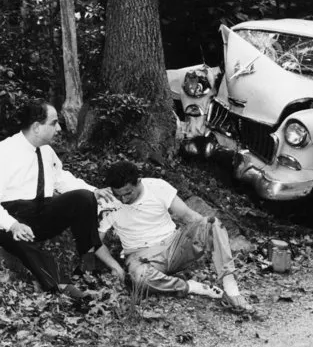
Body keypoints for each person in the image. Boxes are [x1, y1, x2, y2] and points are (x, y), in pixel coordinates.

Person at [0, 100, 125, 298]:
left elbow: (61, 179)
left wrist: (94, 190)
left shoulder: (46, 151)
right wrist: (13, 225)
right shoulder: (4, 152)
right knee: (21, 241)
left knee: (84, 198)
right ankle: (66, 288)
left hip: (43, 211)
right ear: (36, 127)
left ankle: (87, 266)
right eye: (54, 123)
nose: (59, 128)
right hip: (12, 216)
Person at [99, 160, 253, 312]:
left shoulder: (157, 186)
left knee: (212, 223)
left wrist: (209, 236)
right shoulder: (107, 201)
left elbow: (188, 216)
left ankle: (231, 289)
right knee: (139, 277)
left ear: (138, 182)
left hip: (175, 245)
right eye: (118, 195)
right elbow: (95, 241)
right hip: (141, 256)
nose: (124, 200)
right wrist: (115, 266)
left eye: (128, 193)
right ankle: (191, 286)